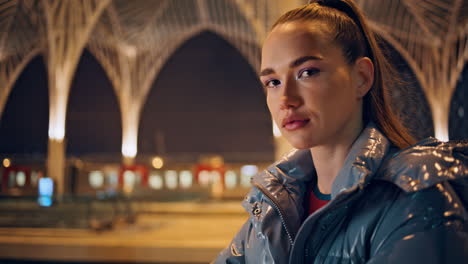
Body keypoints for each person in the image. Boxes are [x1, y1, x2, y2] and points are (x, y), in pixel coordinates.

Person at [214, 0, 468, 263]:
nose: (286, 99)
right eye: (273, 82)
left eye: (307, 72)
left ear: (362, 77)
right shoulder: (272, 206)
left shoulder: (417, 200)